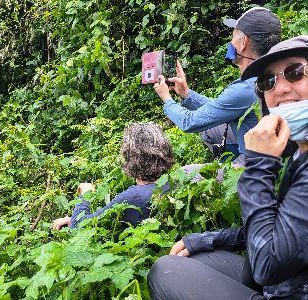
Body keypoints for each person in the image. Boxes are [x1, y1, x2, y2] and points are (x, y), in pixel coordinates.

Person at [147, 35, 308, 299]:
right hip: (282, 272)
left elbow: (267, 266)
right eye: (268, 81)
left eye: (295, 72)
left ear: (243, 42)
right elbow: (284, 229)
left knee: (165, 269)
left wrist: (259, 165)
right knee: (194, 261)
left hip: (286, 285)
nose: (279, 89)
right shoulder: (300, 152)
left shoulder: (244, 90)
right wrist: (208, 239)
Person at [154, 7, 281, 167]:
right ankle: (227, 164)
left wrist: (167, 99)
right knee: (209, 131)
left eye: (233, 37)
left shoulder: (246, 87)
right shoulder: (271, 71)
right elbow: (220, 108)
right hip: (271, 146)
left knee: (187, 173)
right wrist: (187, 94)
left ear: (243, 43)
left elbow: (190, 122)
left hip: (257, 161)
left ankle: (233, 172)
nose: (230, 43)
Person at [52, 122, 174, 230]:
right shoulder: (174, 182)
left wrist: (85, 195)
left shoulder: (134, 196)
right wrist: (72, 219)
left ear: (130, 157)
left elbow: (78, 226)